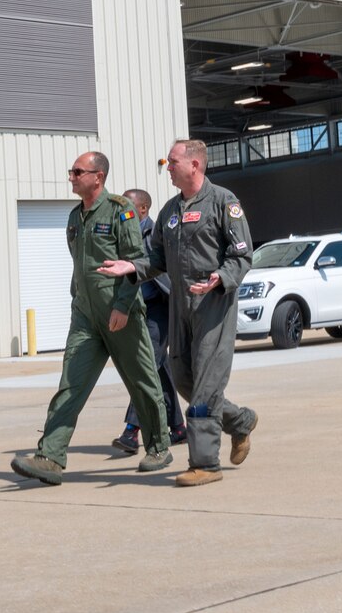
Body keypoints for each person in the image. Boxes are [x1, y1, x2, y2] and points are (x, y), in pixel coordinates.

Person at [97, 139, 259, 487]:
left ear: (194, 165)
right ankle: (240, 421)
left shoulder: (223, 202)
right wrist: (131, 266)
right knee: (183, 377)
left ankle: (205, 463)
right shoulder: (170, 211)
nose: (167, 167)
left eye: (172, 162)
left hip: (213, 306)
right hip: (180, 308)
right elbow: (156, 260)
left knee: (205, 386)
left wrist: (221, 278)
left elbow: (242, 255)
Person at [10, 153, 174, 486]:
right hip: (86, 316)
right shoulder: (74, 217)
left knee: (142, 381)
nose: (71, 176)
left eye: (77, 172)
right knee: (70, 386)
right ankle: (51, 457)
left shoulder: (119, 211)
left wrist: (123, 306)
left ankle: (158, 446)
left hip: (120, 314)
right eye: (71, 171)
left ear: (97, 177)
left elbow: (135, 261)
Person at [113, 188, 187, 455]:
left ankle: (132, 432)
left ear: (143, 210)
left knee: (146, 367)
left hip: (160, 309)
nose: (122, 213)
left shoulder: (158, 234)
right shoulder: (121, 233)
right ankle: (178, 427)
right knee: (160, 367)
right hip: (137, 310)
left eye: (128, 208)